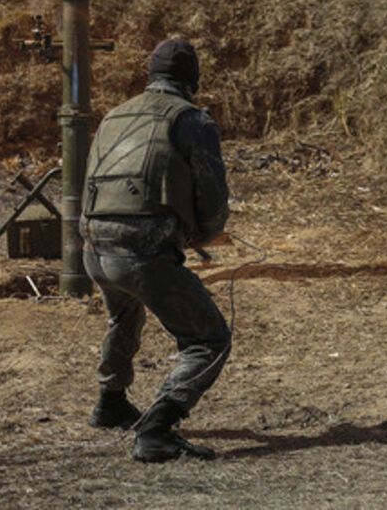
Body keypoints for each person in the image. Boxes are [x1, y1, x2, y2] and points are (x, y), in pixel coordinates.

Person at [80, 36, 231, 462]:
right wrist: (199, 235)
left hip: (93, 245)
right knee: (208, 338)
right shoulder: (191, 121)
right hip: (143, 251)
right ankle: (158, 428)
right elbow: (214, 200)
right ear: (192, 80)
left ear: (151, 75)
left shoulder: (113, 115)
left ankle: (110, 401)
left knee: (124, 312)